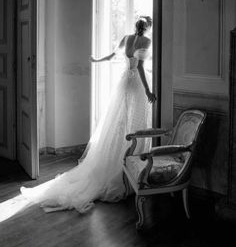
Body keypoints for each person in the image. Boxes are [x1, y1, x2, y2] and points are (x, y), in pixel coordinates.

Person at [20, 16, 156, 213]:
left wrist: (95, 60)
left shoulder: (127, 38)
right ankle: (130, 169)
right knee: (135, 124)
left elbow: (111, 56)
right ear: (148, 27)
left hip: (124, 82)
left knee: (120, 123)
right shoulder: (147, 41)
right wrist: (148, 91)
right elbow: (142, 68)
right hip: (136, 86)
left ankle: (122, 162)